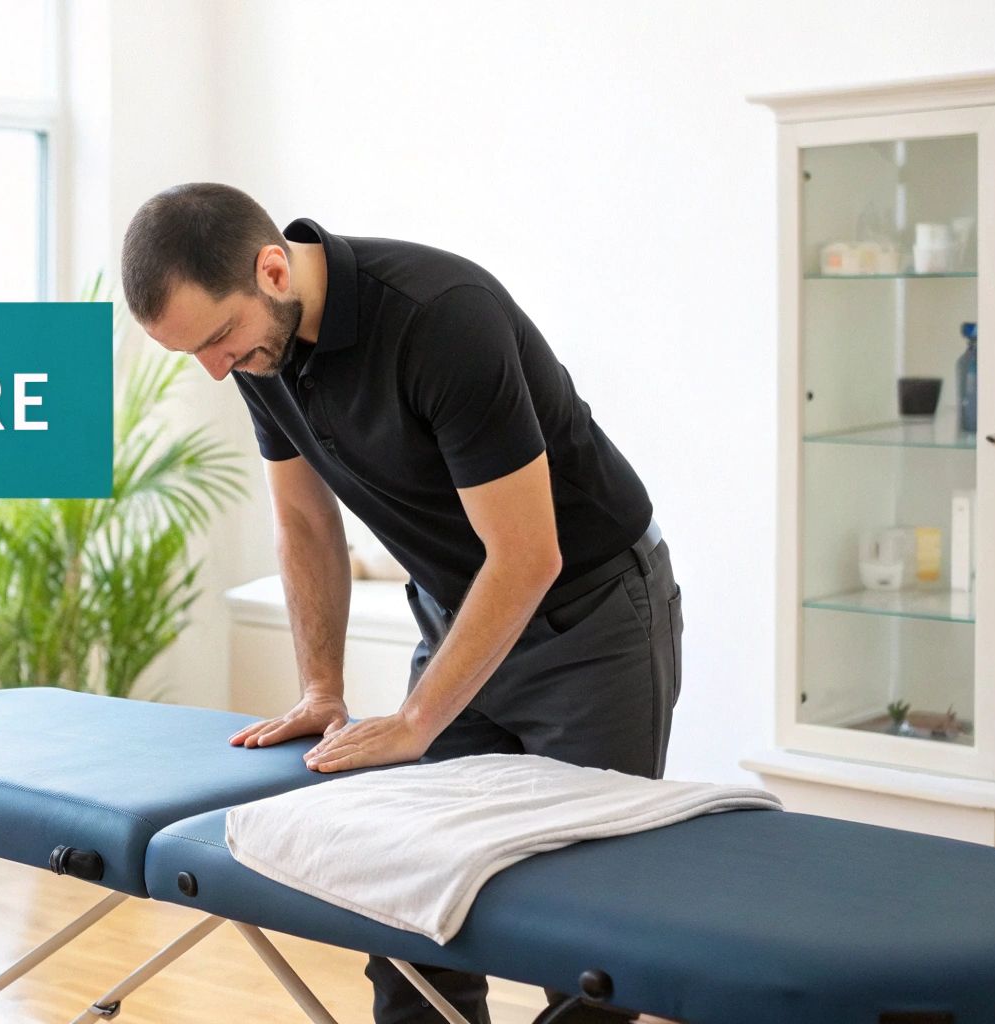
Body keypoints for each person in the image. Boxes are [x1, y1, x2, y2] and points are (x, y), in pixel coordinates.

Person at [119, 183, 682, 1024]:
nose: (213, 367)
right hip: (459, 614)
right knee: (405, 902)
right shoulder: (259, 350)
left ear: (273, 269)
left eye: (216, 339)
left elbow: (528, 556)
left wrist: (417, 720)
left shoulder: (439, 316)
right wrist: (321, 690)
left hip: (590, 619)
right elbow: (305, 523)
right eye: (192, 353)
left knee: (592, 937)